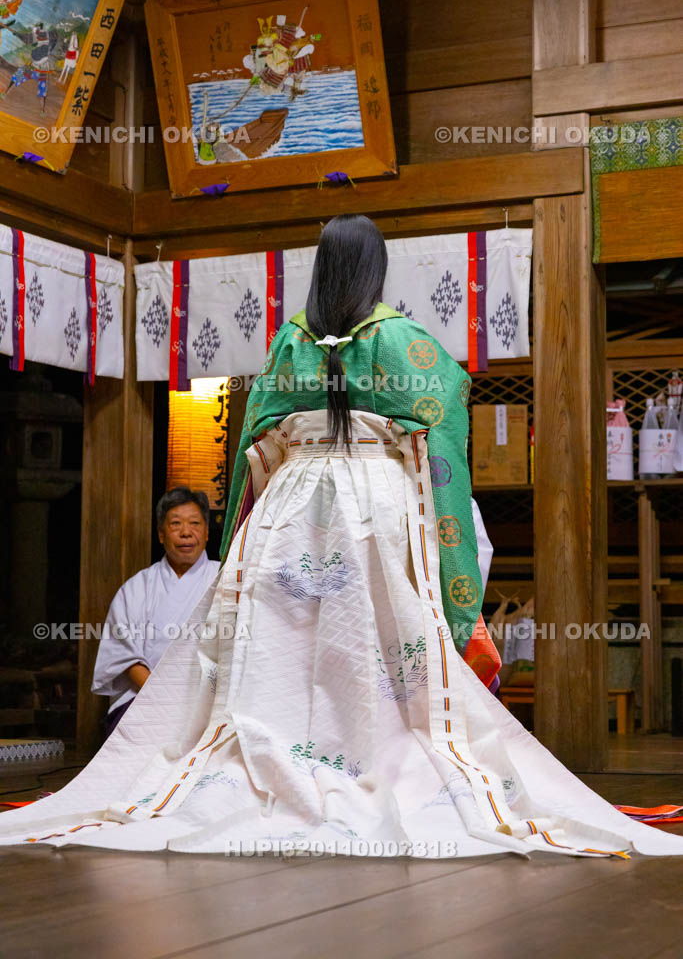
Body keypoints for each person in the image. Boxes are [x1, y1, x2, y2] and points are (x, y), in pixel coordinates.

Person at [0, 215, 681, 860]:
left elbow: (256, 431)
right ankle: (370, 757)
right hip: (373, 502)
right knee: (380, 636)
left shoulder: (291, 339)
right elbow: (442, 406)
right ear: (374, 270)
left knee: (280, 644)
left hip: (291, 505)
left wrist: (268, 490)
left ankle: (268, 764)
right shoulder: (399, 339)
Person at [91, 487, 220, 738]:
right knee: (136, 739)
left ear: (206, 532)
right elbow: (125, 656)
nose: (186, 532)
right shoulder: (136, 588)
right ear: (161, 534)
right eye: (176, 524)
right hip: (145, 696)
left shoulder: (224, 579)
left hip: (208, 699)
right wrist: (161, 697)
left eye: (194, 523)